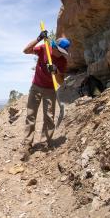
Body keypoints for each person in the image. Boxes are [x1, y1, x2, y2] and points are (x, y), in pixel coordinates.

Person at [20, 30, 71, 161]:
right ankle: (27, 144)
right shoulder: (44, 48)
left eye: (62, 52)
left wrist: (56, 71)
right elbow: (26, 50)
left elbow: (60, 81)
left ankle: (44, 143)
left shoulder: (62, 61)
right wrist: (39, 38)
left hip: (50, 90)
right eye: (59, 51)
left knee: (49, 117)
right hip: (36, 87)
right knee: (31, 115)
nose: (60, 54)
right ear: (54, 46)